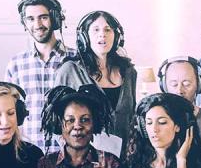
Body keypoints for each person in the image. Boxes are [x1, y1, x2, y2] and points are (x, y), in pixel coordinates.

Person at [55, 10, 139, 153]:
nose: (102, 34)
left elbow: (131, 118)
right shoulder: (69, 70)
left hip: (124, 160)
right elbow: (56, 121)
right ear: (84, 37)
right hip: (85, 158)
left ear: (117, 36)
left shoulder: (129, 72)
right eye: (95, 30)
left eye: (108, 30)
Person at [5, 0, 73, 155]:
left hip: (69, 154)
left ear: (55, 19)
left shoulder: (77, 60)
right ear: (24, 23)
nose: (37, 24)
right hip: (28, 155)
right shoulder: (16, 64)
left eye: (43, 17)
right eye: (30, 19)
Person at [159, 56, 201, 168]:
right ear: (164, 86)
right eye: (174, 84)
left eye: (186, 84)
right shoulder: (153, 124)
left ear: (199, 85)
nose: (179, 91)